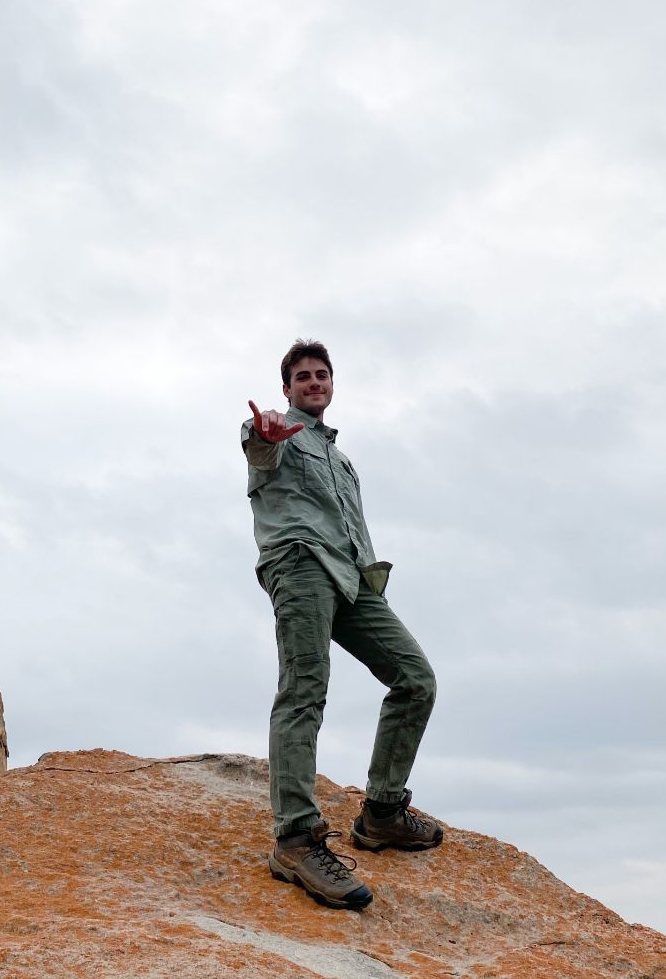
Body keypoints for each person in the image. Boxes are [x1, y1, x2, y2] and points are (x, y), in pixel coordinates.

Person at [241, 338, 441, 910]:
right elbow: (260, 450)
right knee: (305, 689)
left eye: (321, 375)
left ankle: (381, 813)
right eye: (302, 376)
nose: (313, 382)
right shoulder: (272, 430)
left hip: (353, 579)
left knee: (415, 679)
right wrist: (265, 435)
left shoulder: (341, 457)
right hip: (300, 565)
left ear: (332, 383)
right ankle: (296, 841)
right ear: (286, 388)